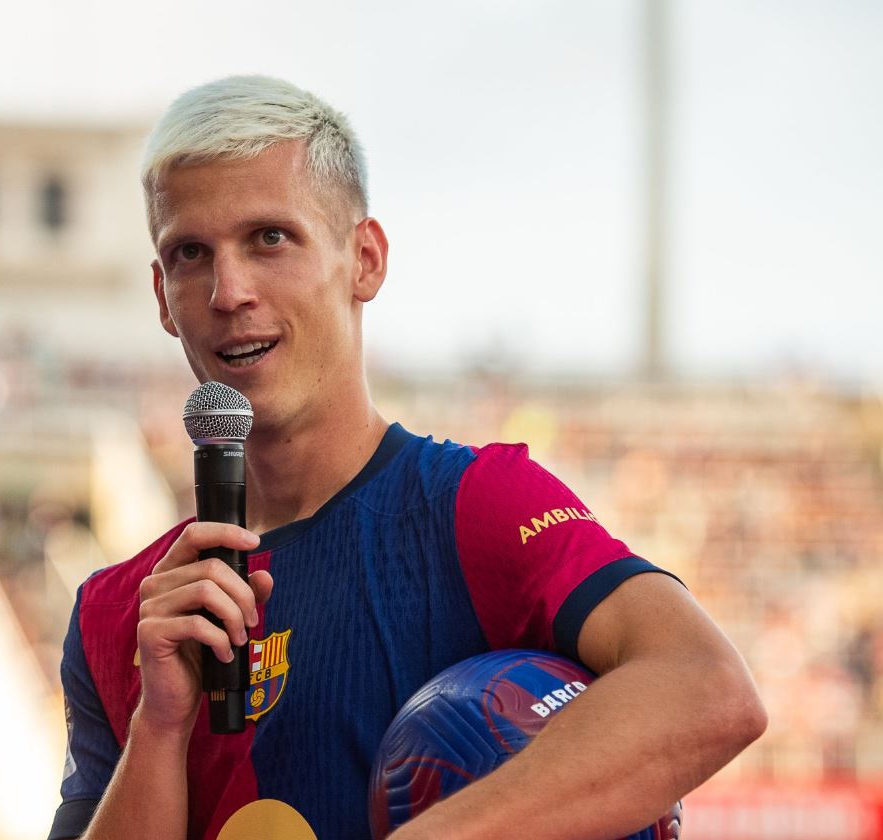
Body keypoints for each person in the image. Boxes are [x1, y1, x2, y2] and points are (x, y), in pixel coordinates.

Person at [48, 75, 766, 840]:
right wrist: (158, 726)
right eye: (191, 253)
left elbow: (709, 688)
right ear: (162, 297)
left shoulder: (476, 506)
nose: (228, 291)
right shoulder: (114, 612)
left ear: (364, 259)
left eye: (269, 238)